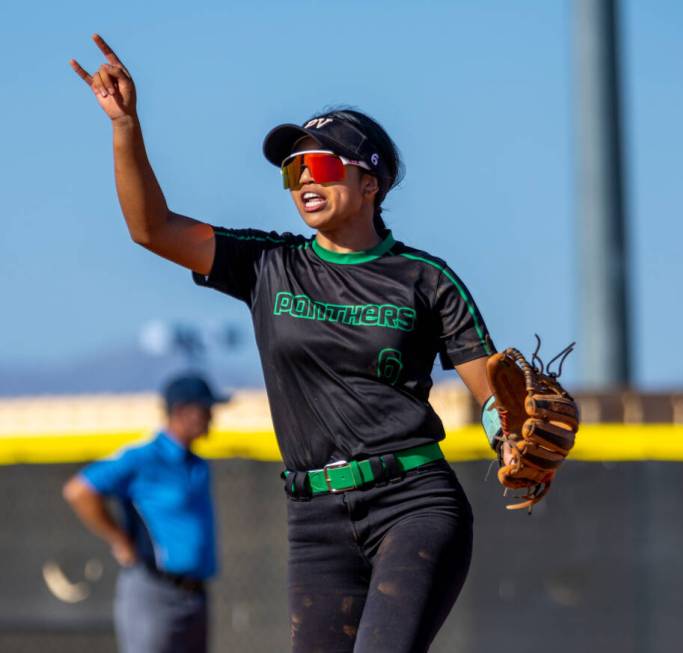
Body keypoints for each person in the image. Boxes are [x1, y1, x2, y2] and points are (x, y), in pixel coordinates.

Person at [70, 34, 508, 653]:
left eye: (323, 165)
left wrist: (512, 428)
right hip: (315, 518)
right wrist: (125, 126)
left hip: (411, 503)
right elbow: (152, 229)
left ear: (371, 182)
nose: (304, 177)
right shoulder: (269, 264)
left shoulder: (424, 279)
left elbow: (496, 396)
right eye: (293, 167)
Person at [63, 373, 227, 653]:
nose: (212, 417)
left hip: (195, 594)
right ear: (182, 412)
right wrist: (119, 540)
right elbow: (79, 491)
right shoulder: (144, 457)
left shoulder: (198, 464)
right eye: (205, 409)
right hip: (154, 590)